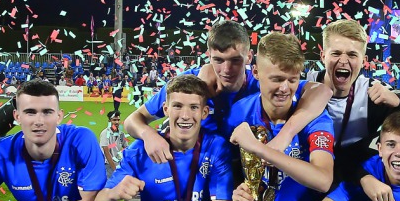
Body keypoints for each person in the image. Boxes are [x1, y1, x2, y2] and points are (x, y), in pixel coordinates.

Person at [125, 20, 326, 165]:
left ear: (249, 57)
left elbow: (322, 92)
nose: (226, 70)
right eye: (218, 60)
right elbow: (133, 120)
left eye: (235, 60)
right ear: (209, 56)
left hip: (246, 174)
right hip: (200, 174)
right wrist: (149, 135)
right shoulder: (190, 84)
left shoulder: (263, 84)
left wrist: (286, 135)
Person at [94, 76, 233, 201]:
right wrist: (113, 193)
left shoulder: (216, 146)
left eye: (193, 107)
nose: (185, 116)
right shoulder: (139, 151)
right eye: (178, 106)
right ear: (166, 109)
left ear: (204, 112)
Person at [228, 33, 336, 201]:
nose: (285, 88)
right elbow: (227, 169)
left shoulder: (316, 117)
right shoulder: (238, 114)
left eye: (292, 80)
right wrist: (237, 193)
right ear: (256, 72)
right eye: (277, 79)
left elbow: (323, 180)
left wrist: (261, 149)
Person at [305, 20, 400, 184]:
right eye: (336, 53)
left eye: (352, 55)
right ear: (323, 56)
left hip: (350, 183)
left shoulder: (372, 91)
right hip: (304, 180)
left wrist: (398, 99)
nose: (343, 61)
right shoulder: (304, 86)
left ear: (363, 60)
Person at [99, 110, 127, 176]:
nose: (117, 122)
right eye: (114, 120)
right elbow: (106, 152)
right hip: (108, 165)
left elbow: (126, 148)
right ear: (109, 121)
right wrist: (114, 169)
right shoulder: (105, 133)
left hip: (118, 163)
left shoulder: (121, 134)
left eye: (118, 120)